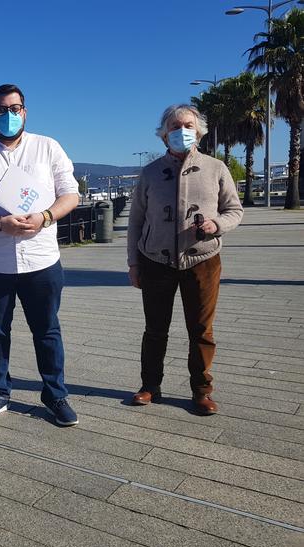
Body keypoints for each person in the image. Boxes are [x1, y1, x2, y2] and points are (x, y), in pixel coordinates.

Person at [0, 84, 81, 426]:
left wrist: (45, 217)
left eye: (16, 108)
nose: (9, 115)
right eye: (1, 109)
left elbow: (70, 195)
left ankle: (55, 395)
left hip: (41, 259)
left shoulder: (48, 147)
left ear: (25, 111)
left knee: (47, 330)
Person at [127, 104, 243, 415]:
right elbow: (136, 222)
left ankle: (201, 391)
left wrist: (216, 225)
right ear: (164, 135)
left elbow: (234, 210)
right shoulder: (150, 173)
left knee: (201, 330)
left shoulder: (216, 168)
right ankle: (150, 386)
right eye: (175, 127)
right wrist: (133, 264)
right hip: (155, 261)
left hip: (203, 260)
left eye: (187, 126)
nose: (182, 132)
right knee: (155, 329)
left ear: (199, 131)